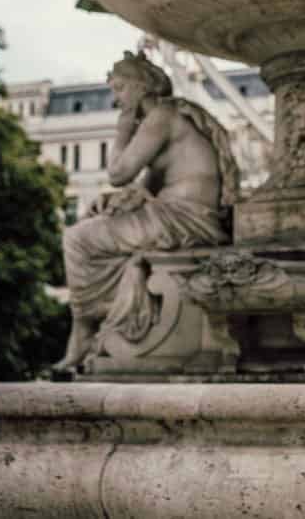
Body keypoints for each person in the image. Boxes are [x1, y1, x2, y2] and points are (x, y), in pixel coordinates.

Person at [54, 51, 238, 370]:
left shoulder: (161, 117)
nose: (116, 99)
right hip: (183, 214)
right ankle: (112, 311)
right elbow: (147, 187)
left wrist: (122, 130)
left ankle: (86, 325)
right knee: (94, 224)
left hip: (184, 219)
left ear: (141, 86)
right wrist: (114, 202)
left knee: (76, 239)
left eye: (120, 88)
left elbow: (118, 173)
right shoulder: (170, 116)